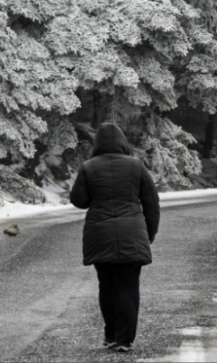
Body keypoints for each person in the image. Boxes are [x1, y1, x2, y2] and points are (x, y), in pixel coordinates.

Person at [69, 123, 160, 353]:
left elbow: (78, 199)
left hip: (100, 235)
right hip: (132, 233)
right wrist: (149, 233)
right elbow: (151, 202)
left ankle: (110, 334)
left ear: (97, 144)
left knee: (107, 286)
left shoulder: (88, 167)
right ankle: (124, 340)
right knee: (128, 288)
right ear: (123, 142)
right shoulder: (136, 166)